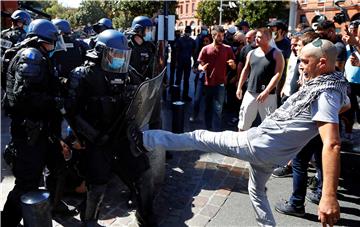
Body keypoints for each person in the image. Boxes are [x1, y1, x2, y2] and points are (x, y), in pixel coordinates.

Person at [138, 39, 349, 226]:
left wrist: (329, 196)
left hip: (257, 145)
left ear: (322, 63)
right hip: (270, 154)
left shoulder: (325, 94)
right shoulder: (335, 85)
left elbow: (332, 144)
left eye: (305, 62)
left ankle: (143, 139)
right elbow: (345, 105)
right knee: (256, 191)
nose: (301, 67)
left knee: (199, 137)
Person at [64, 29, 156, 226]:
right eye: (114, 54)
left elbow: (143, 92)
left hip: (122, 136)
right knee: (97, 185)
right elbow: (71, 112)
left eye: (123, 55)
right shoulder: (82, 75)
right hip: (97, 139)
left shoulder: (127, 72)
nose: (119, 59)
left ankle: (145, 216)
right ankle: (89, 221)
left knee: (144, 174)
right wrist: (92, 135)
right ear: (100, 52)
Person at [1, 19, 68, 227]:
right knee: (27, 181)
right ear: (42, 40)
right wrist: (53, 101)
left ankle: (53, 205)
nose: (55, 44)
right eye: (52, 41)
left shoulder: (38, 56)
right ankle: (8, 221)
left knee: (57, 165)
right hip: (30, 130)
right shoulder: (31, 56)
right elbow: (25, 96)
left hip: (42, 127)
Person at [236, 28, 285, 131]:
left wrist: (266, 91)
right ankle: (240, 143)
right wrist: (239, 87)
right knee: (243, 123)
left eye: (259, 37)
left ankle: (267, 146)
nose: (256, 39)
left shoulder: (277, 54)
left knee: (270, 125)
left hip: (268, 95)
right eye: (256, 37)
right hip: (250, 92)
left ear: (268, 38)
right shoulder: (251, 53)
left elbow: (278, 74)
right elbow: (245, 70)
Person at [195, 25, 236, 131]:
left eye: (222, 36)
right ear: (213, 36)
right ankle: (207, 130)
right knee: (207, 109)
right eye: (219, 36)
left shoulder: (228, 49)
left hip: (220, 84)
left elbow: (234, 65)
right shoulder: (205, 49)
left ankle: (216, 132)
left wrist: (232, 65)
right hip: (207, 83)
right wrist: (201, 67)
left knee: (218, 109)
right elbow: (199, 64)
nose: (221, 38)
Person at [128, 15, 160, 130]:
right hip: (131, 90)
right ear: (139, 31)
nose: (151, 32)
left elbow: (154, 66)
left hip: (147, 88)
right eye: (148, 30)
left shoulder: (150, 47)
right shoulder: (126, 46)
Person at [175, 26, 196, 102]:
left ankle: (184, 95)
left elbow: (193, 53)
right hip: (181, 61)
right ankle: (177, 95)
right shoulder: (180, 40)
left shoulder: (191, 41)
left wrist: (194, 63)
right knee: (179, 79)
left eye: (188, 31)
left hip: (186, 62)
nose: (188, 33)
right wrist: (177, 63)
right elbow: (177, 52)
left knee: (186, 79)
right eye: (187, 31)